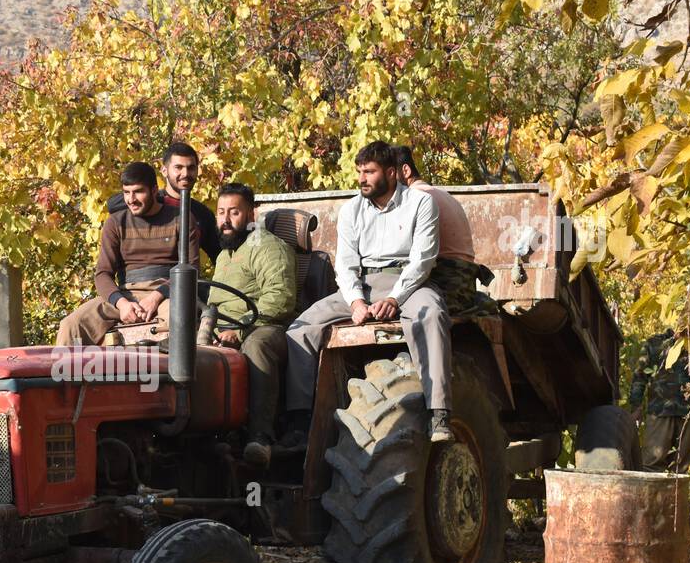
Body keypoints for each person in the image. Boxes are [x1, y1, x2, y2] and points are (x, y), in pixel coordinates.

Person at [284, 140, 453, 444]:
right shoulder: (351, 210)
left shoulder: (420, 203)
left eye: (370, 172)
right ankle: (299, 421)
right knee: (300, 328)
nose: (362, 178)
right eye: (360, 171)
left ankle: (438, 411)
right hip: (363, 284)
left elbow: (423, 259)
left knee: (432, 314)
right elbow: (346, 264)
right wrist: (356, 301)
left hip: (408, 282)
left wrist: (394, 299)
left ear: (391, 173)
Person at [56, 161, 201, 346]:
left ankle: (171, 375)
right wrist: (122, 303)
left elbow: (191, 268)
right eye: (126, 192)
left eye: (138, 191)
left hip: (168, 294)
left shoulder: (181, 218)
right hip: (126, 294)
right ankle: (64, 373)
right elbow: (102, 274)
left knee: (179, 320)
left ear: (154, 190)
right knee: (71, 325)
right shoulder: (115, 223)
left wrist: (156, 297)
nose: (131, 199)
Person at [204, 183, 297, 467]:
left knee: (257, 345)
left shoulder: (266, 245)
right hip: (224, 329)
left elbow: (281, 298)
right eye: (221, 212)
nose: (226, 220)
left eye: (234, 212)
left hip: (266, 328)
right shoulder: (224, 254)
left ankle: (261, 437)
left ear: (251, 214)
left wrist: (241, 329)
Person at [393, 145, 493, 316]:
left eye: (390, 174)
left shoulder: (416, 199)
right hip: (465, 286)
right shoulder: (443, 195)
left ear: (406, 170)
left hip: (445, 286)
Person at [106, 142, 220, 265]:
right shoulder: (153, 199)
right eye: (178, 167)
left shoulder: (201, 214)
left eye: (191, 168)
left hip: (183, 280)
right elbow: (113, 204)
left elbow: (218, 256)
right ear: (164, 171)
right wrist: (158, 200)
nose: (186, 174)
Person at [629, 328, 690, 472]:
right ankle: (649, 495)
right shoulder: (654, 343)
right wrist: (636, 406)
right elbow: (640, 376)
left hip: (688, 414)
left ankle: (675, 495)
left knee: (681, 466)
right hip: (659, 412)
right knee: (652, 463)